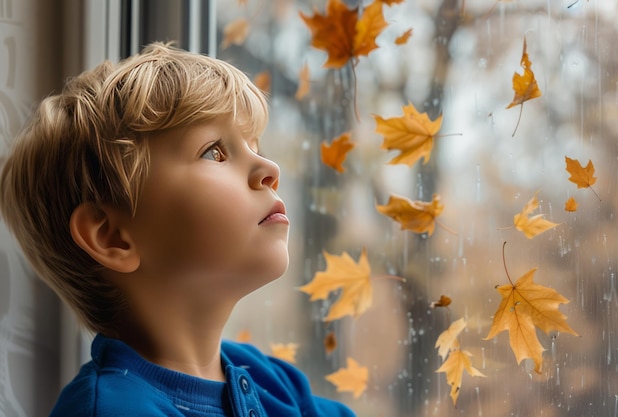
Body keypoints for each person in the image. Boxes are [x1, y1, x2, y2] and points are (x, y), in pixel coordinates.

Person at [0, 42, 356, 417]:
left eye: (255, 146)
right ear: (112, 237)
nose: (269, 169)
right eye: (215, 152)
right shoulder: (114, 410)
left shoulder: (272, 380)